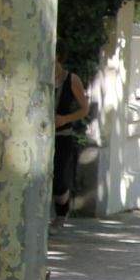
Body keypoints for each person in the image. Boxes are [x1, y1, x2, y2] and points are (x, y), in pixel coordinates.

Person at [51, 47, 90, 230]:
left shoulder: (71, 79)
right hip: (42, 135)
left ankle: (62, 212)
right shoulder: (40, 76)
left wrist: (64, 119)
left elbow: (84, 109)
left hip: (62, 135)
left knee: (59, 179)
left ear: (58, 56)